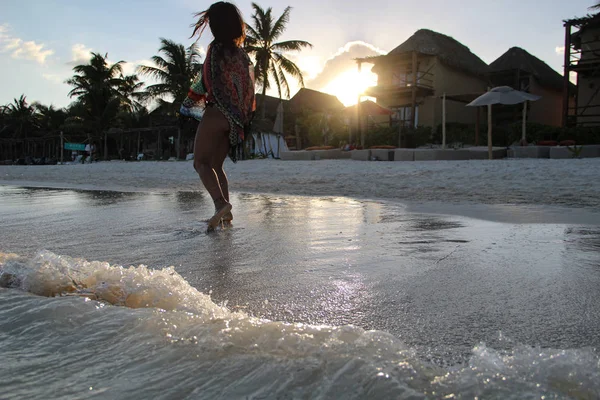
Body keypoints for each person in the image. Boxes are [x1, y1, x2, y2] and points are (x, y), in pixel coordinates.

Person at [181, 1, 255, 230]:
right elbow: (250, 90)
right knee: (216, 164)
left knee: (200, 163)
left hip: (216, 113)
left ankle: (220, 204)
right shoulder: (243, 57)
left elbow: (206, 80)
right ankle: (226, 214)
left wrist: (187, 104)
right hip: (235, 119)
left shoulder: (215, 50)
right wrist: (241, 119)